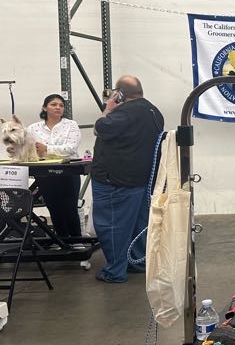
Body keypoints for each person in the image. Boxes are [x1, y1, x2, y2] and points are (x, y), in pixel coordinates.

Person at [91, 75, 164, 283]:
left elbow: (100, 128)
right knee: (137, 225)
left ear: (120, 94)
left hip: (115, 181)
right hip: (140, 179)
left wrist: (108, 108)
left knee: (113, 225)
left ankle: (114, 271)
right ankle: (136, 262)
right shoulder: (153, 111)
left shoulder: (122, 113)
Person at [26, 94, 83, 237]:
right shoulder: (33, 128)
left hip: (68, 172)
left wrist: (46, 149)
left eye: (61, 105)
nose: (58, 107)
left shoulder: (71, 125)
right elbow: (29, 148)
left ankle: (76, 241)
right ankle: (61, 241)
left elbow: (70, 148)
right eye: (53, 104)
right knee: (53, 207)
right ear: (44, 107)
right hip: (44, 173)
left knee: (69, 207)